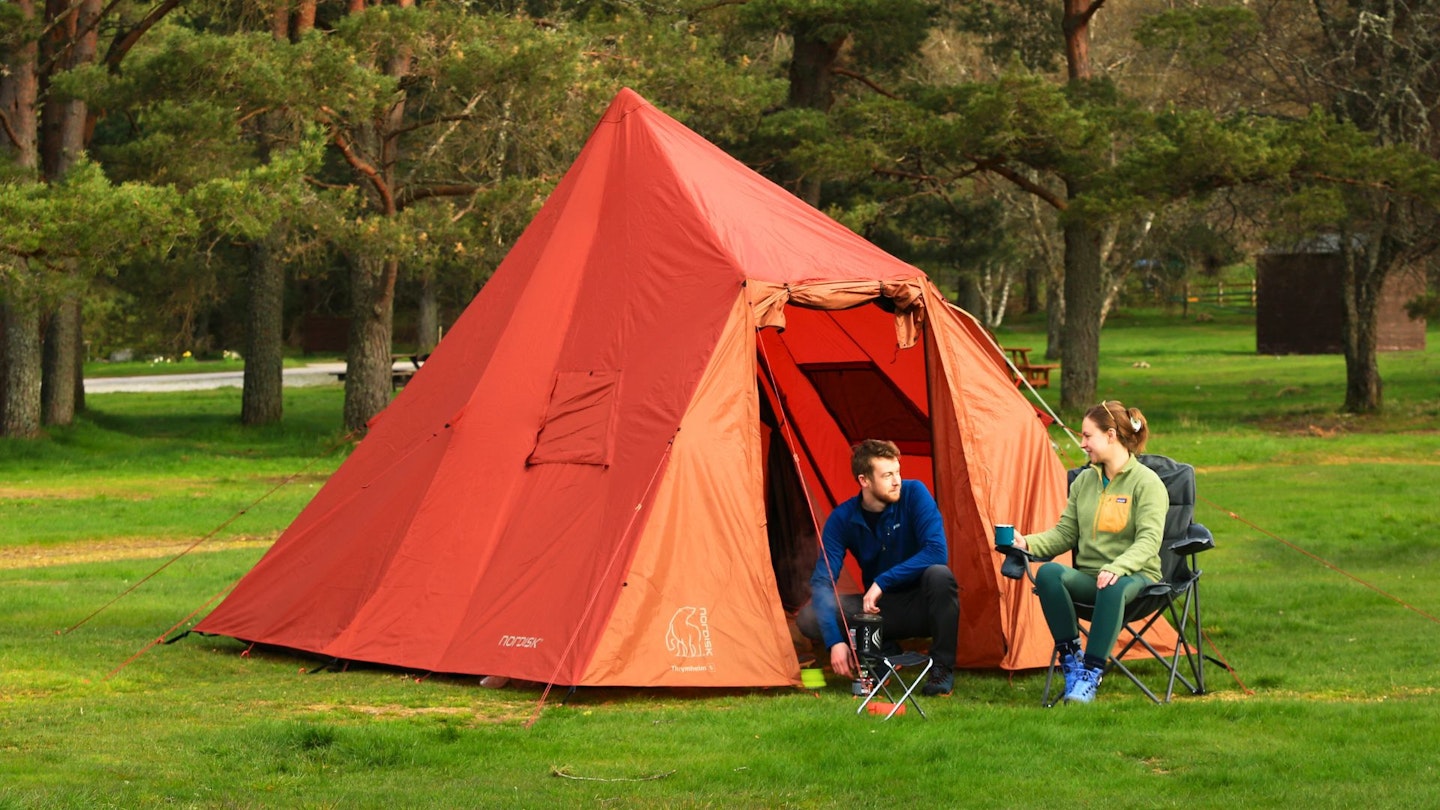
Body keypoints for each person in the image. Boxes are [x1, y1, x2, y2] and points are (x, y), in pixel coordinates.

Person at [1013, 400, 1168, 704]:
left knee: (1112, 583)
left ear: (1111, 435)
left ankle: (1090, 674)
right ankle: (1071, 659)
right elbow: (1065, 534)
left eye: (1087, 436)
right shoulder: (1084, 481)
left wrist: (1118, 567)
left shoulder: (1147, 483)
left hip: (1136, 578)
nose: (1082, 444)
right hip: (1090, 578)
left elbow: (1149, 541)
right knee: (1049, 573)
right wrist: (1026, 544)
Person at [797, 440, 960, 697]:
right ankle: (884, 651)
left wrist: (882, 581)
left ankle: (941, 669)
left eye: (897, 472)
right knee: (809, 616)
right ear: (864, 480)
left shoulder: (914, 494)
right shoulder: (843, 519)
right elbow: (822, 581)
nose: (897, 481)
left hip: (922, 607)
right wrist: (835, 642)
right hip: (879, 611)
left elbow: (937, 551)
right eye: (887, 475)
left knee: (940, 575)